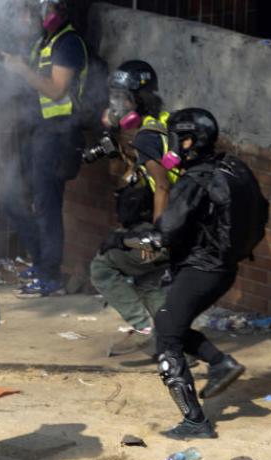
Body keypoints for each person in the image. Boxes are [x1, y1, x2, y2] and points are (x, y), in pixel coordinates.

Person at [120, 108, 268, 439]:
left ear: (188, 141)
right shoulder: (234, 168)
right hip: (224, 268)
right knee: (170, 322)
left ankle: (195, 422)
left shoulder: (194, 180)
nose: (172, 146)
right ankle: (220, 363)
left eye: (175, 139)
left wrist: (122, 240)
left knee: (167, 338)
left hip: (201, 269)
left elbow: (163, 235)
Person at [89, 60, 179, 354]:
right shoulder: (160, 124)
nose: (116, 105)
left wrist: (155, 236)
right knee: (149, 282)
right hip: (178, 223)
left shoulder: (148, 136)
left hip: (167, 226)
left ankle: (143, 328)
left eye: (123, 98)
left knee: (102, 266)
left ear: (139, 100)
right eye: (114, 97)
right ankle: (171, 346)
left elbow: (162, 187)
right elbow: (135, 178)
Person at [0, 0, 88, 297]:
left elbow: (56, 90)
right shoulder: (44, 42)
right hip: (38, 132)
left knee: (47, 207)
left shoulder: (68, 43)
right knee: (13, 198)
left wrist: (21, 70)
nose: (29, 17)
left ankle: (50, 277)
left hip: (59, 134)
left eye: (38, 10)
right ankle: (41, 264)